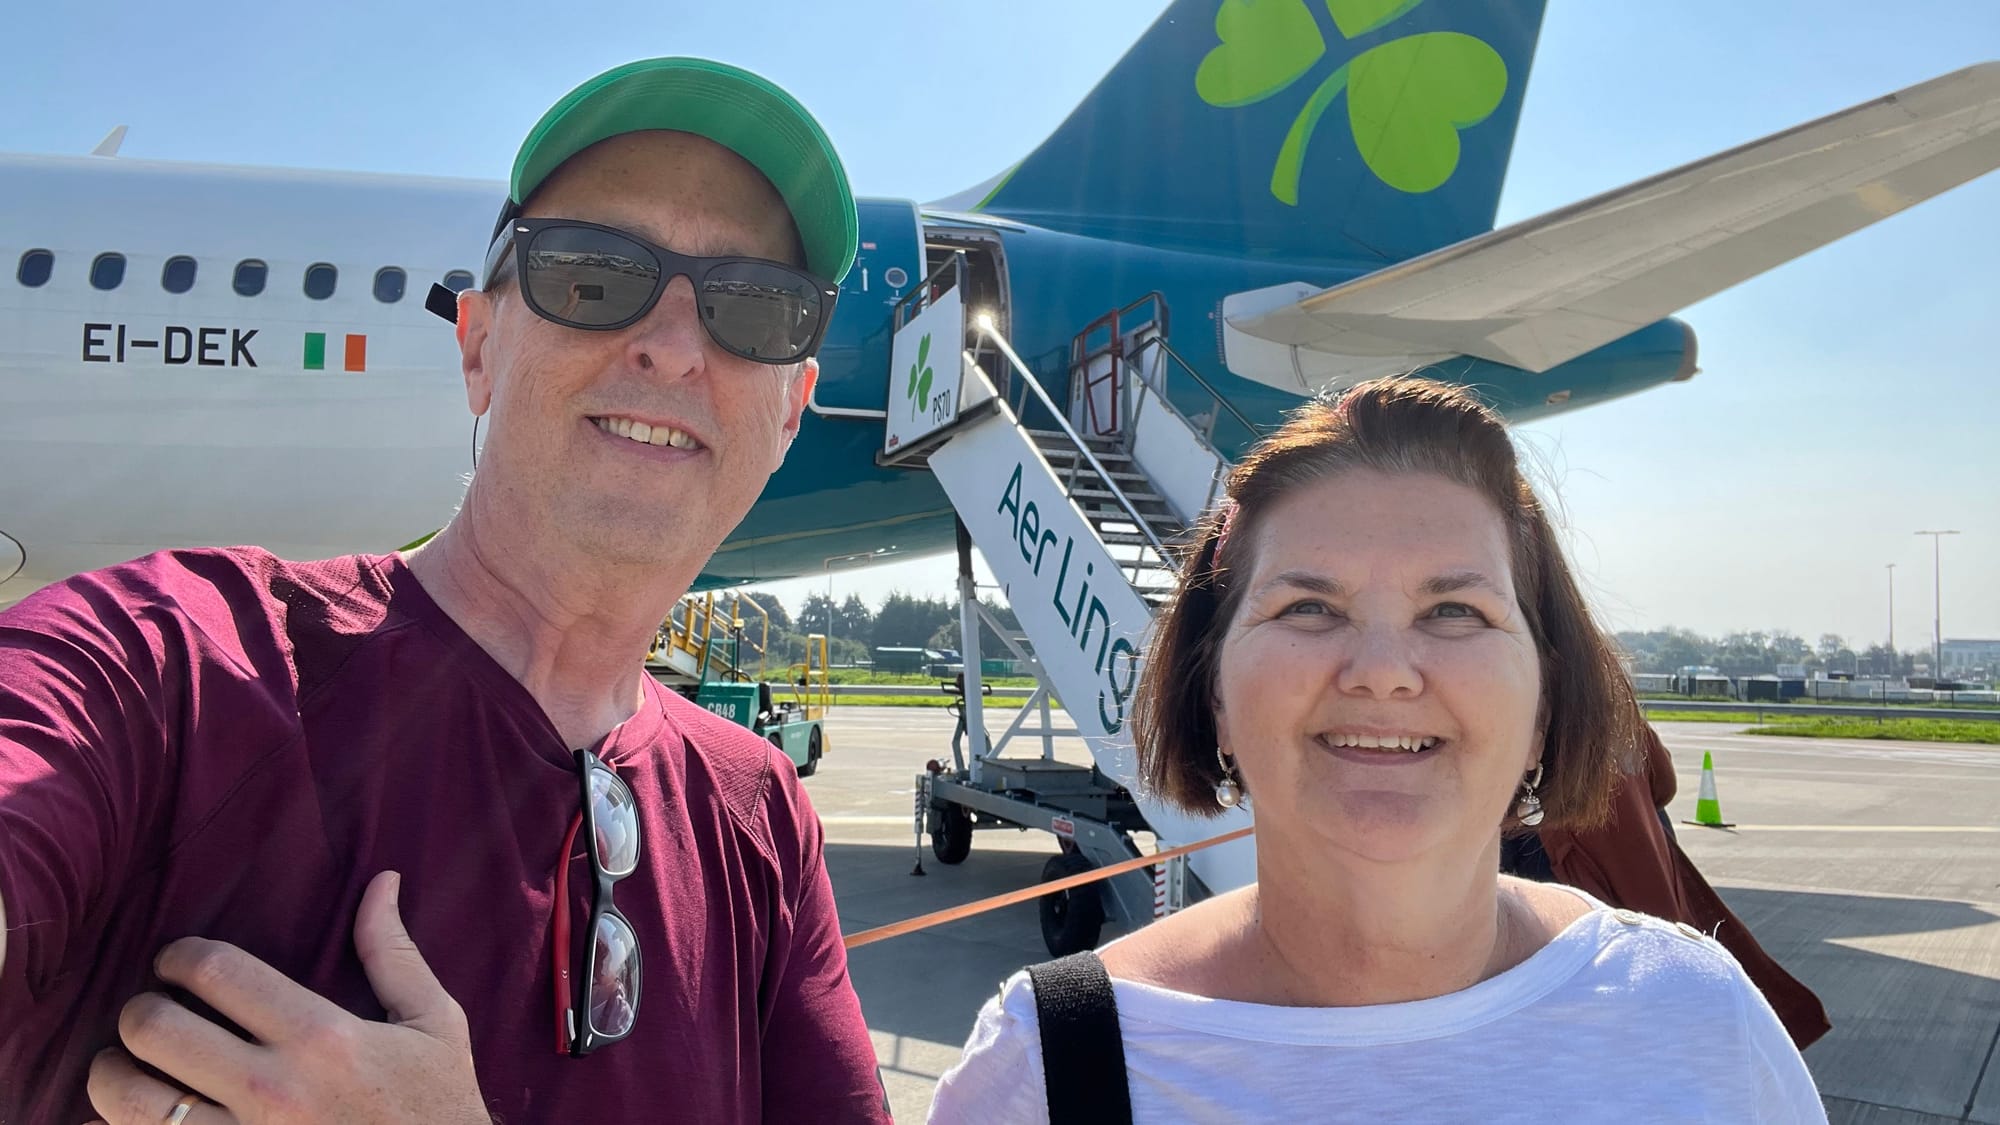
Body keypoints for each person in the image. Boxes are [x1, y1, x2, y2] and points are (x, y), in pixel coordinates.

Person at [0, 58, 890, 1123]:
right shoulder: (174, 665)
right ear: (476, 347)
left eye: (755, 306)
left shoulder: (757, 817)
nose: (669, 349)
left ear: (790, 412)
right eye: (593, 274)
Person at [930, 377, 1826, 1123]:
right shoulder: (1045, 1067)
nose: (1384, 672)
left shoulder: (1702, 1022)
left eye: (1456, 611)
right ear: (1215, 695)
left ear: (1547, 705)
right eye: (1309, 607)